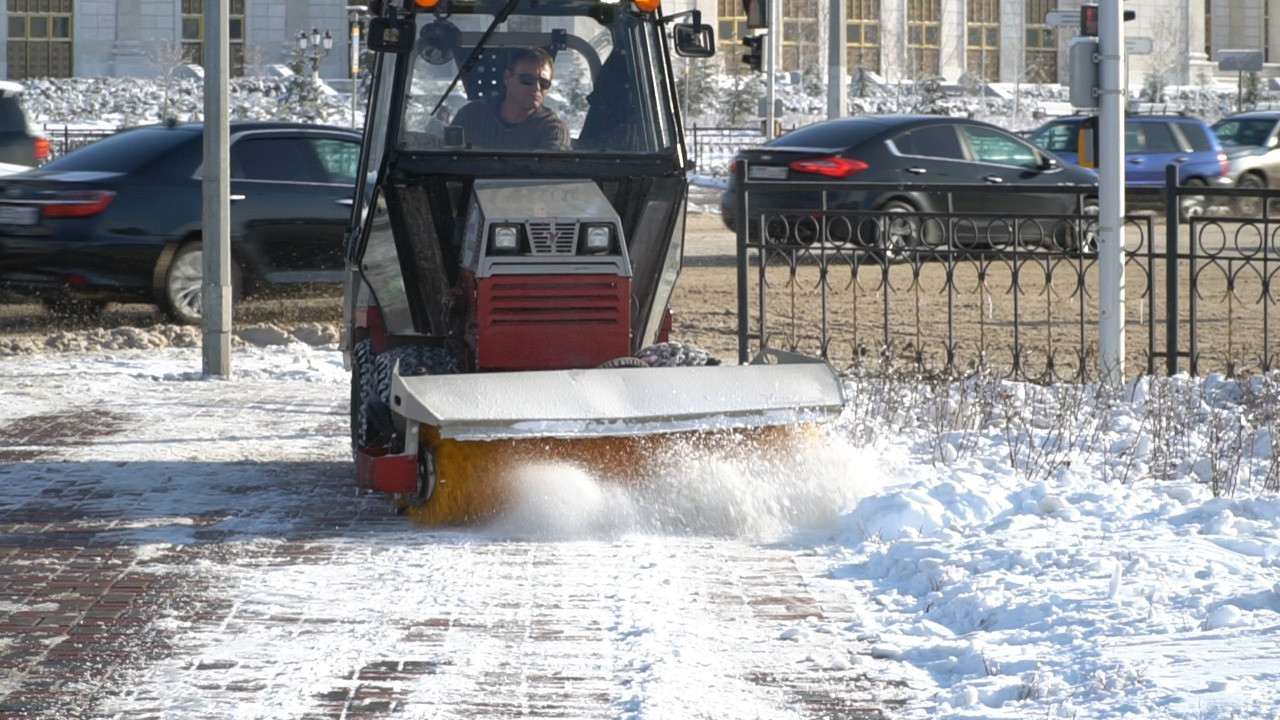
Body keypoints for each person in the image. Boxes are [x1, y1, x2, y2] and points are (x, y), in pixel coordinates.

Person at [450, 47, 570, 151]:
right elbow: (446, 158)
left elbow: (550, 169)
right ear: (507, 77)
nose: (536, 88)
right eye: (527, 79)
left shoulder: (553, 129)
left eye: (544, 83)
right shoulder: (472, 115)